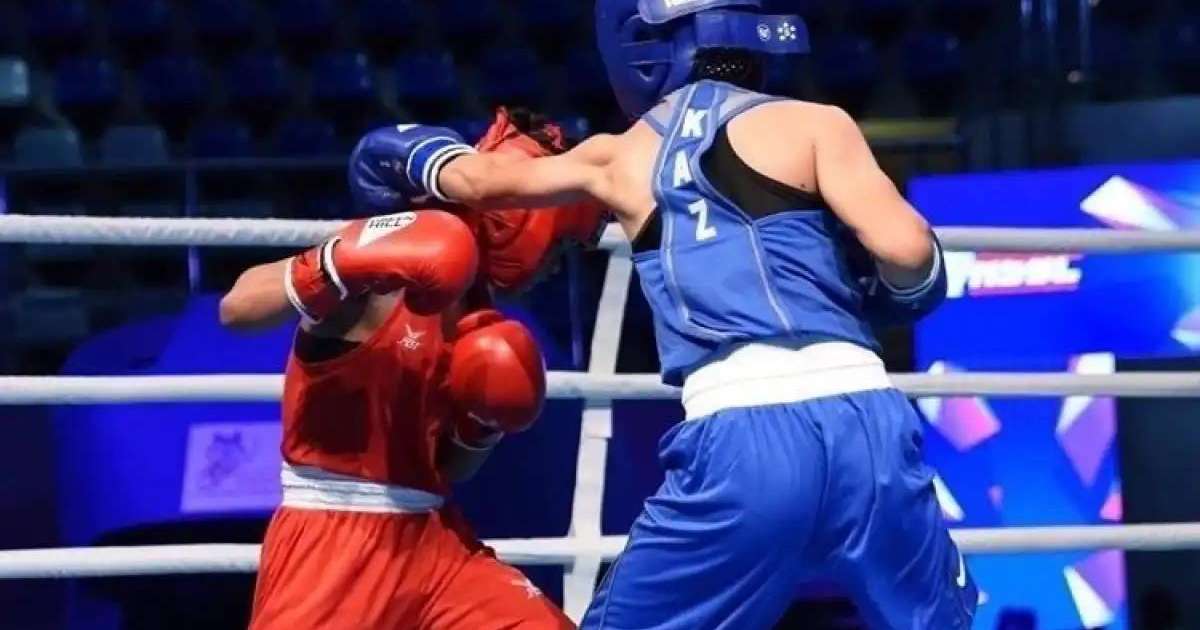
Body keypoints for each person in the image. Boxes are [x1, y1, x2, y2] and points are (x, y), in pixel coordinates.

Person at [349, 1, 979, 628]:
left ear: (634, 47)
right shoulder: (816, 124)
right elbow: (908, 251)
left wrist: (410, 151)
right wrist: (891, 292)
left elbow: (478, 184)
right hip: (867, 417)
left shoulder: (618, 156)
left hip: (740, 437)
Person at [220, 109, 604, 630]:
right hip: (335, 541)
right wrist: (332, 264)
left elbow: (443, 469)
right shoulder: (396, 264)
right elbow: (237, 308)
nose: (556, 265)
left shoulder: (480, 317)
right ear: (521, 222)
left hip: (434, 540)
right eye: (559, 243)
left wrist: (481, 426)